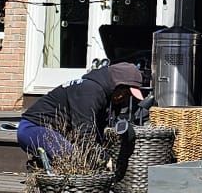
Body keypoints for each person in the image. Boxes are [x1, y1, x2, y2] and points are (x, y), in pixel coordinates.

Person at [17, 62, 145, 170]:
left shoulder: (101, 93)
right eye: (127, 93)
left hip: (55, 132)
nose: (125, 98)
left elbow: (95, 132)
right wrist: (104, 159)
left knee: (84, 159)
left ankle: (43, 166)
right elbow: (84, 134)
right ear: (118, 85)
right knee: (75, 161)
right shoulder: (89, 91)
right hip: (33, 128)